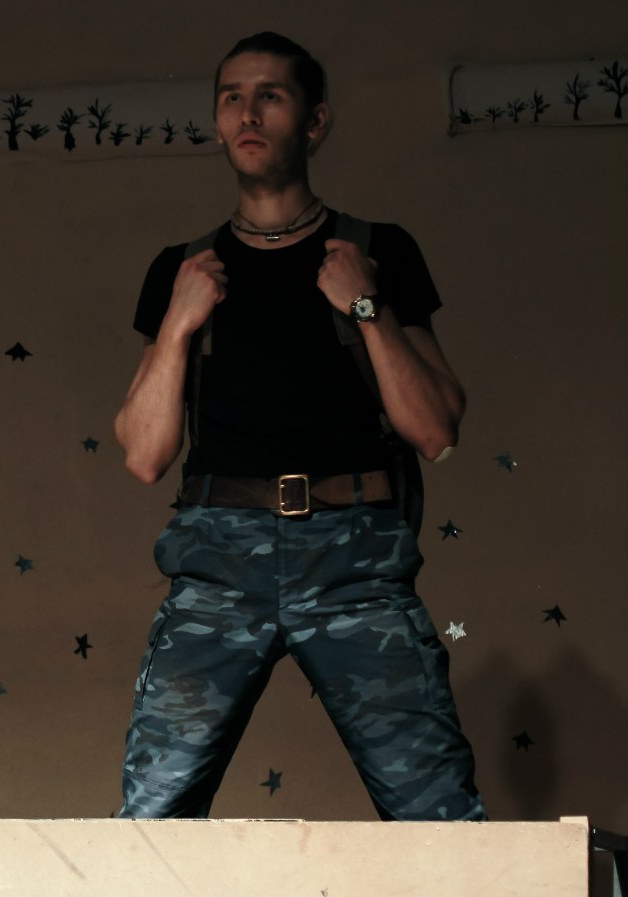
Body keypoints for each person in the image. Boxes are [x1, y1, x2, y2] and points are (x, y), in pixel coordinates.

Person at [113, 33, 486, 821]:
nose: (247, 114)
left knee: (439, 816)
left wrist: (364, 304)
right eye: (231, 98)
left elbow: (435, 429)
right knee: (150, 817)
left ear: (314, 122)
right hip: (217, 557)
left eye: (270, 96)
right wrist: (177, 322)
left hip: (355, 553)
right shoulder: (184, 266)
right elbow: (144, 455)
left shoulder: (376, 251)